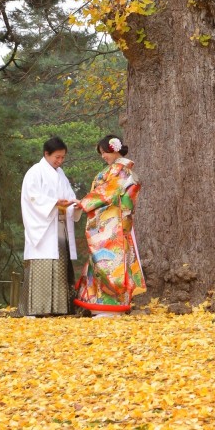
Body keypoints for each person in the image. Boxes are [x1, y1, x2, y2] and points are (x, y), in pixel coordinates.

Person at [72, 135, 146, 316]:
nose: (103, 156)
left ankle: (110, 306)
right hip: (113, 221)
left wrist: (84, 203)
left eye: (104, 152)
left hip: (113, 223)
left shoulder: (120, 171)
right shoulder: (120, 170)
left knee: (110, 262)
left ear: (114, 149)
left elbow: (106, 193)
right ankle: (103, 305)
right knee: (105, 261)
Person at [18, 136, 81, 317]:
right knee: (44, 263)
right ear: (46, 154)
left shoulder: (60, 174)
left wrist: (73, 204)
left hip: (58, 226)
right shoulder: (35, 172)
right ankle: (38, 308)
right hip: (43, 228)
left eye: (62, 157)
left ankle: (60, 307)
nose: (60, 161)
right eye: (57, 157)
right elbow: (33, 198)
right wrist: (54, 203)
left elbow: (69, 195)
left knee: (60, 264)